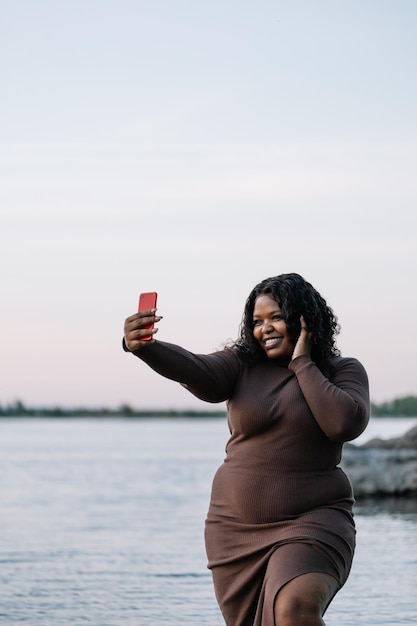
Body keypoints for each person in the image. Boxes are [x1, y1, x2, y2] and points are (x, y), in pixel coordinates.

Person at [123, 273, 370, 626]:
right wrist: (146, 348)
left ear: (304, 319)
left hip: (313, 521)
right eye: (257, 321)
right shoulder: (241, 365)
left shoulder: (341, 371)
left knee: (293, 610)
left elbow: (344, 424)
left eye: (276, 317)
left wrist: (302, 363)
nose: (264, 328)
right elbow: (196, 368)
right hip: (235, 533)